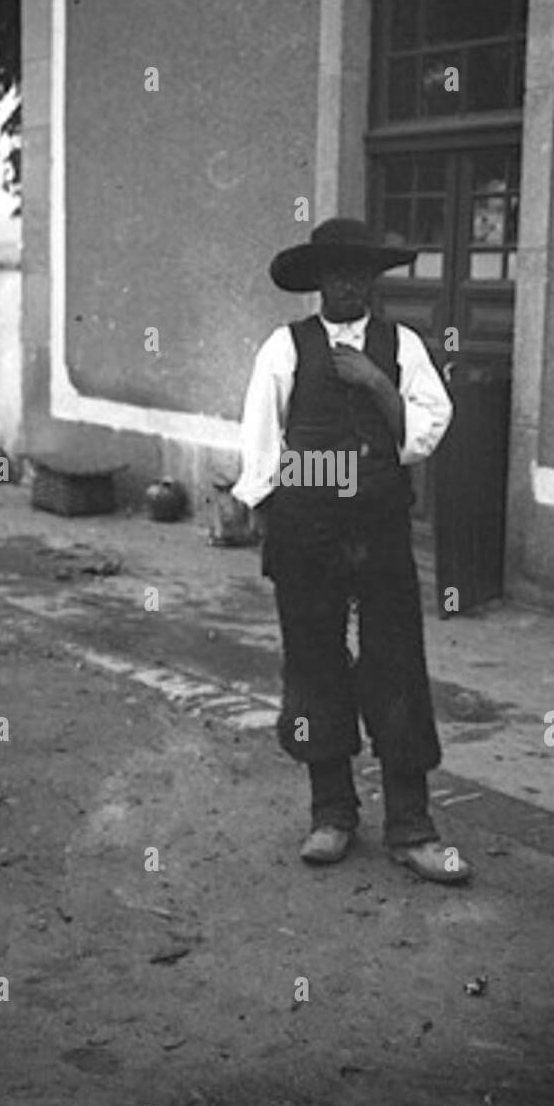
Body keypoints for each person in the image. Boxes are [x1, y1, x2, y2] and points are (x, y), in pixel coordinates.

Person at [232, 217, 471, 884]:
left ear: (371, 281)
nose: (344, 284)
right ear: (316, 282)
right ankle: (331, 813)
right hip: (306, 530)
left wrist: (374, 382)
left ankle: (411, 827)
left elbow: (427, 428)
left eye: (356, 272)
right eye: (332, 272)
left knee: (395, 664)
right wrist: (263, 505)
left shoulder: (401, 347)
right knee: (313, 664)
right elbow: (261, 437)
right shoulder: (285, 347)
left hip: (380, 527)